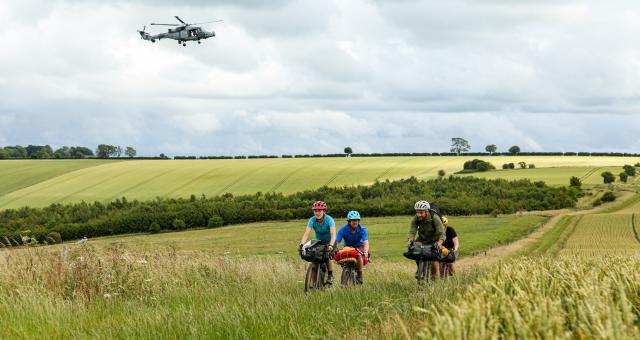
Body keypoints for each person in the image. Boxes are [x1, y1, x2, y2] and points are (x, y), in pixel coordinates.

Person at [299, 201, 337, 286]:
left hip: (330, 241)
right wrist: (301, 245)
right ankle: (313, 282)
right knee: (313, 258)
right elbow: (306, 233)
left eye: (320, 210)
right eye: (315, 210)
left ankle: (330, 275)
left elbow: (333, 235)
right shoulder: (312, 220)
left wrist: (331, 245)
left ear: (324, 211)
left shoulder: (329, 220)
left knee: (327, 257)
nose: (317, 212)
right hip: (318, 241)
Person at [407, 200, 445, 279]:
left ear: (426, 211)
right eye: (417, 212)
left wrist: (439, 242)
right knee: (414, 249)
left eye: (421, 212)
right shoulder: (416, 218)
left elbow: (442, 233)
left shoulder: (435, 218)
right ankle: (419, 268)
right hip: (422, 238)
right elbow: (412, 230)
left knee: (434, 263)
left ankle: (436, 284)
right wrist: (410, 239)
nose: (418, 215)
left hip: (435, 240)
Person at [336, 210, 370, 284]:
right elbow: (337, 242)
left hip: (359, 246)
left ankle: (359, 275)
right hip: (348, 246)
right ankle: (346, 273)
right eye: (353, 220)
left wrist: (366, 252)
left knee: (359, 256)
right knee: (343, 259)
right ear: (349, 221)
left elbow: (366, 242)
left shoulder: (363, 229)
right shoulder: (343, 229)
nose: (355, 222)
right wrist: (334, 249)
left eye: (357, 220)